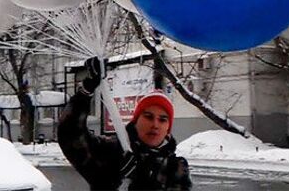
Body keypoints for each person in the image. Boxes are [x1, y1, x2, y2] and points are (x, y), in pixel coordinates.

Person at [58, 57, 192, 191]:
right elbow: (70, 134)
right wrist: (85, 92)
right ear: (136, 120)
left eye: (163, 119)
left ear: (168, 127)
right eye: (148, 117)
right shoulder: (111, 151)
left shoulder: (175, 168)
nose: (155, 125)